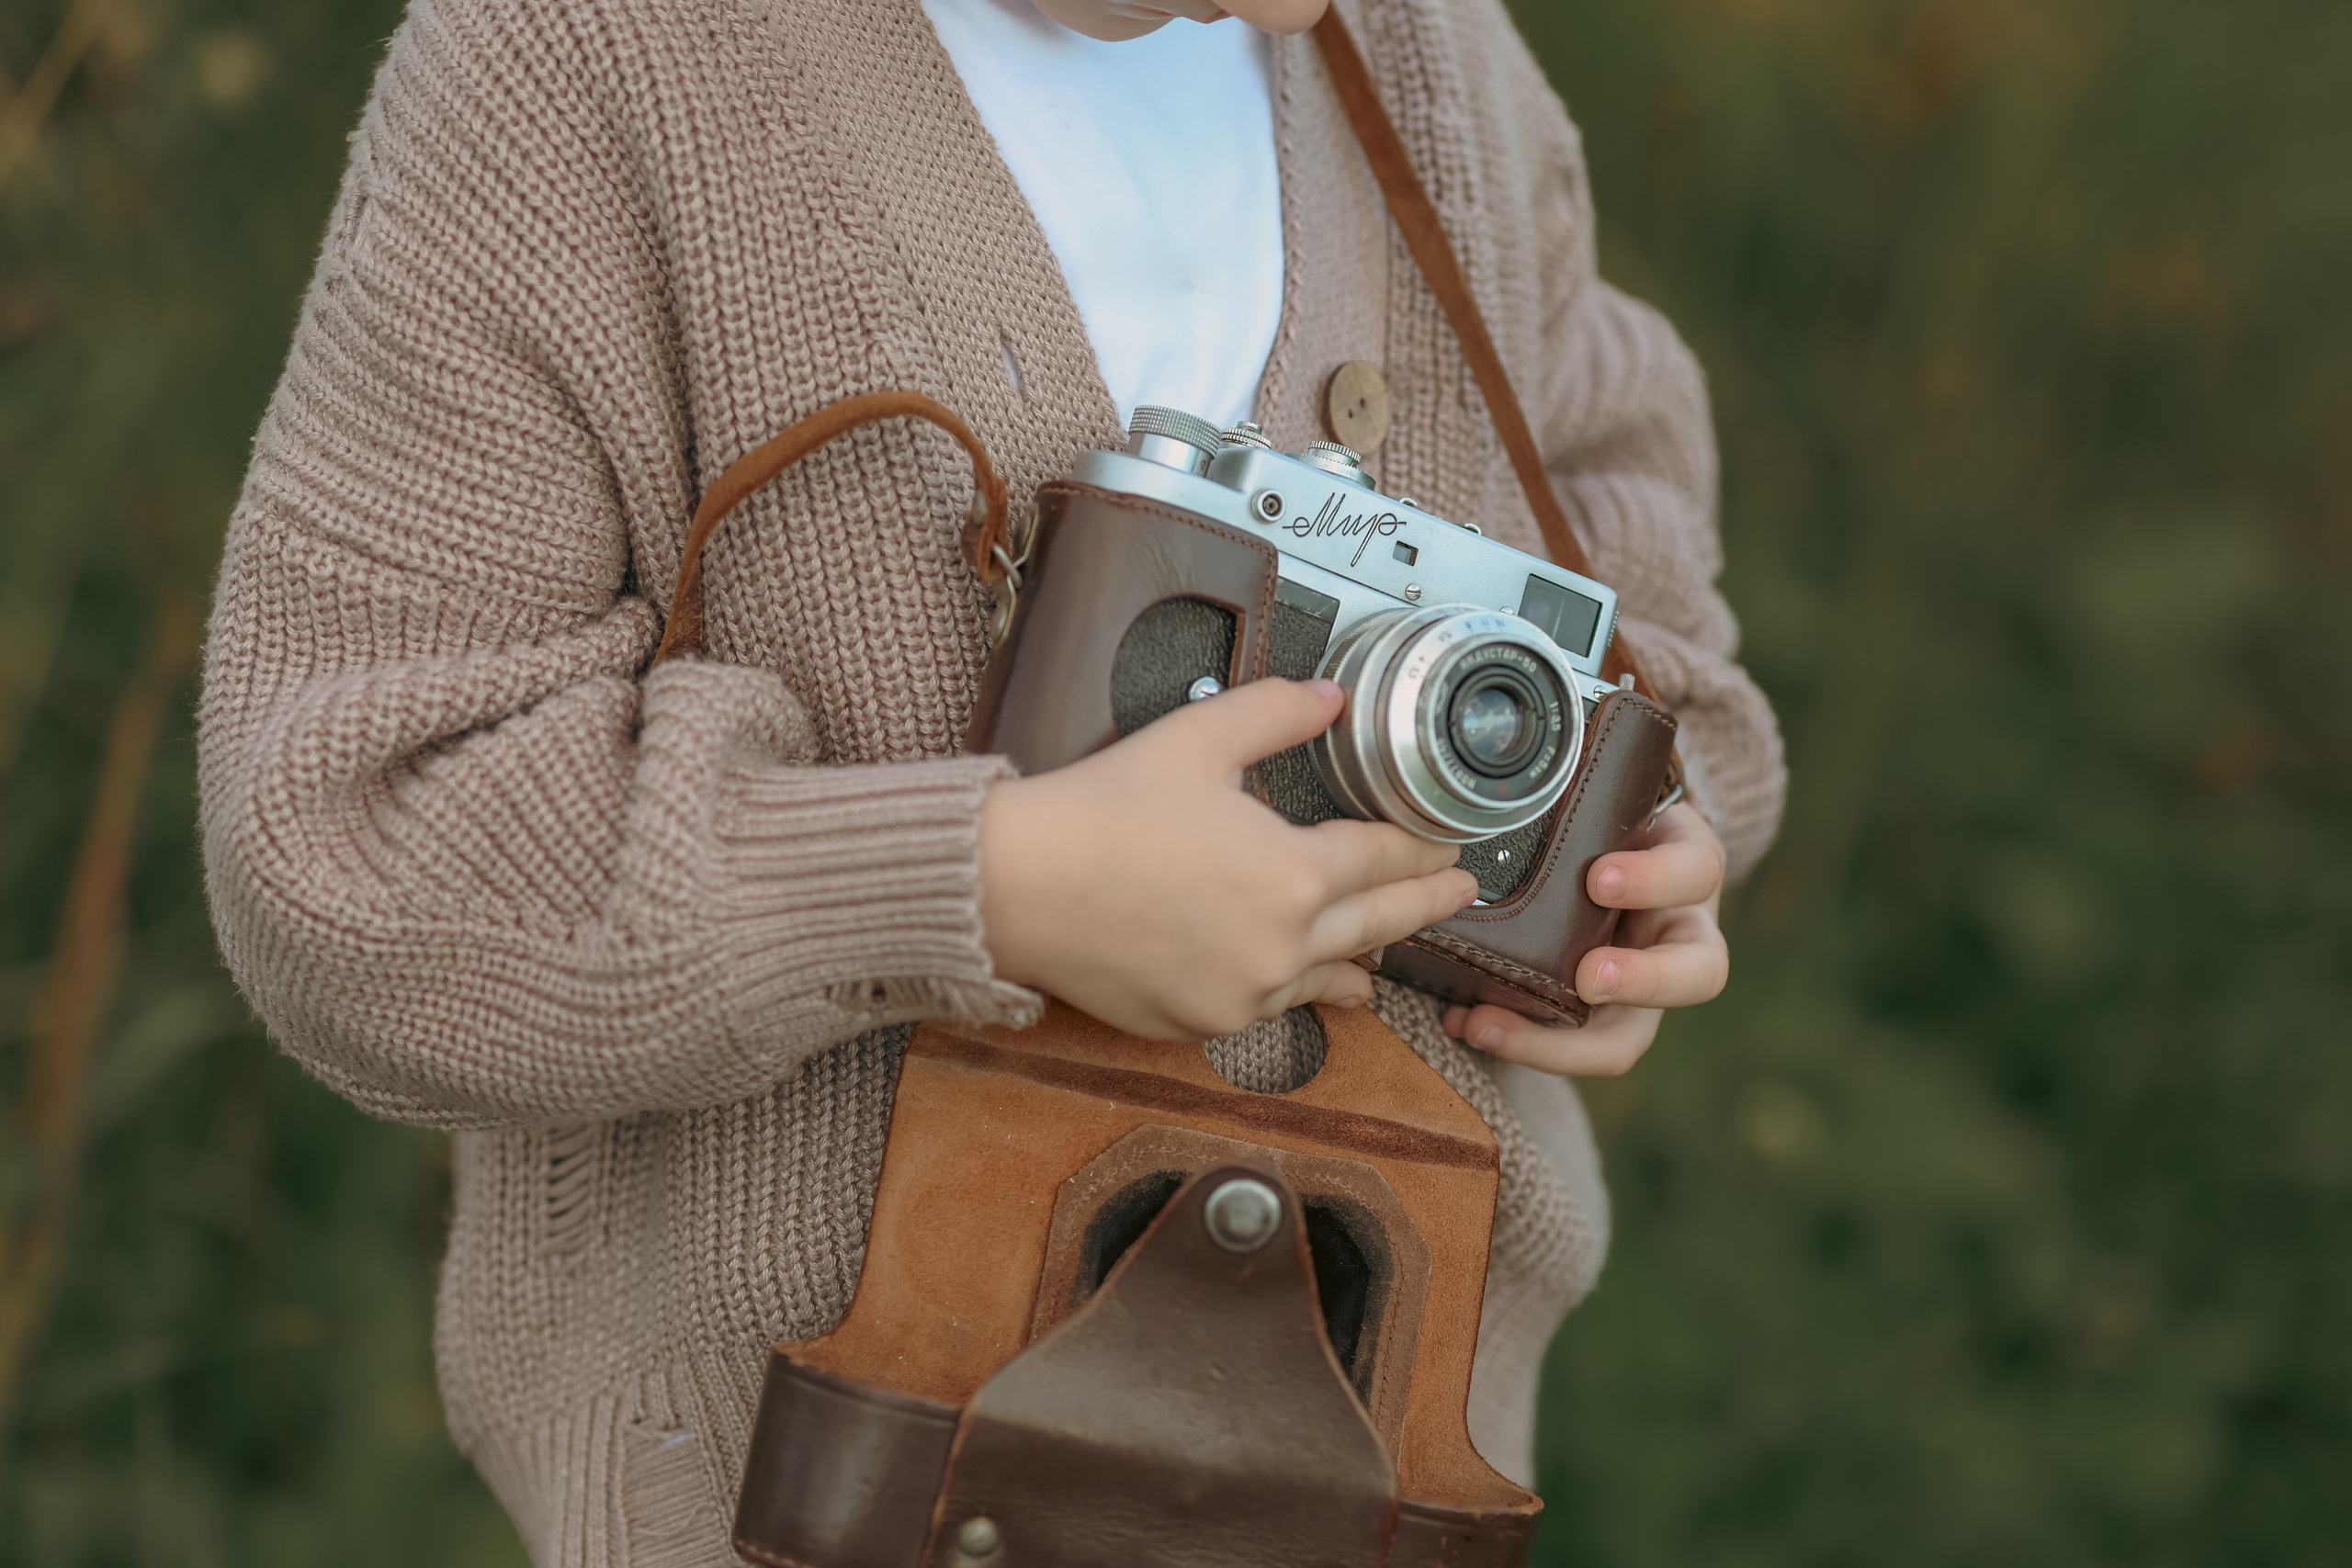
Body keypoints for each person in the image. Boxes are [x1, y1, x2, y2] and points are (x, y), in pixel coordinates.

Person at [198, 0, 1784, 1557]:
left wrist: (1633, 851)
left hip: (1391, 1472)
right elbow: (352, 852)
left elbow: (1642, 605)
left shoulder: (1430, 71)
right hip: (792, 1486)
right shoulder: (584, 63)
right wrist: (982, 884)